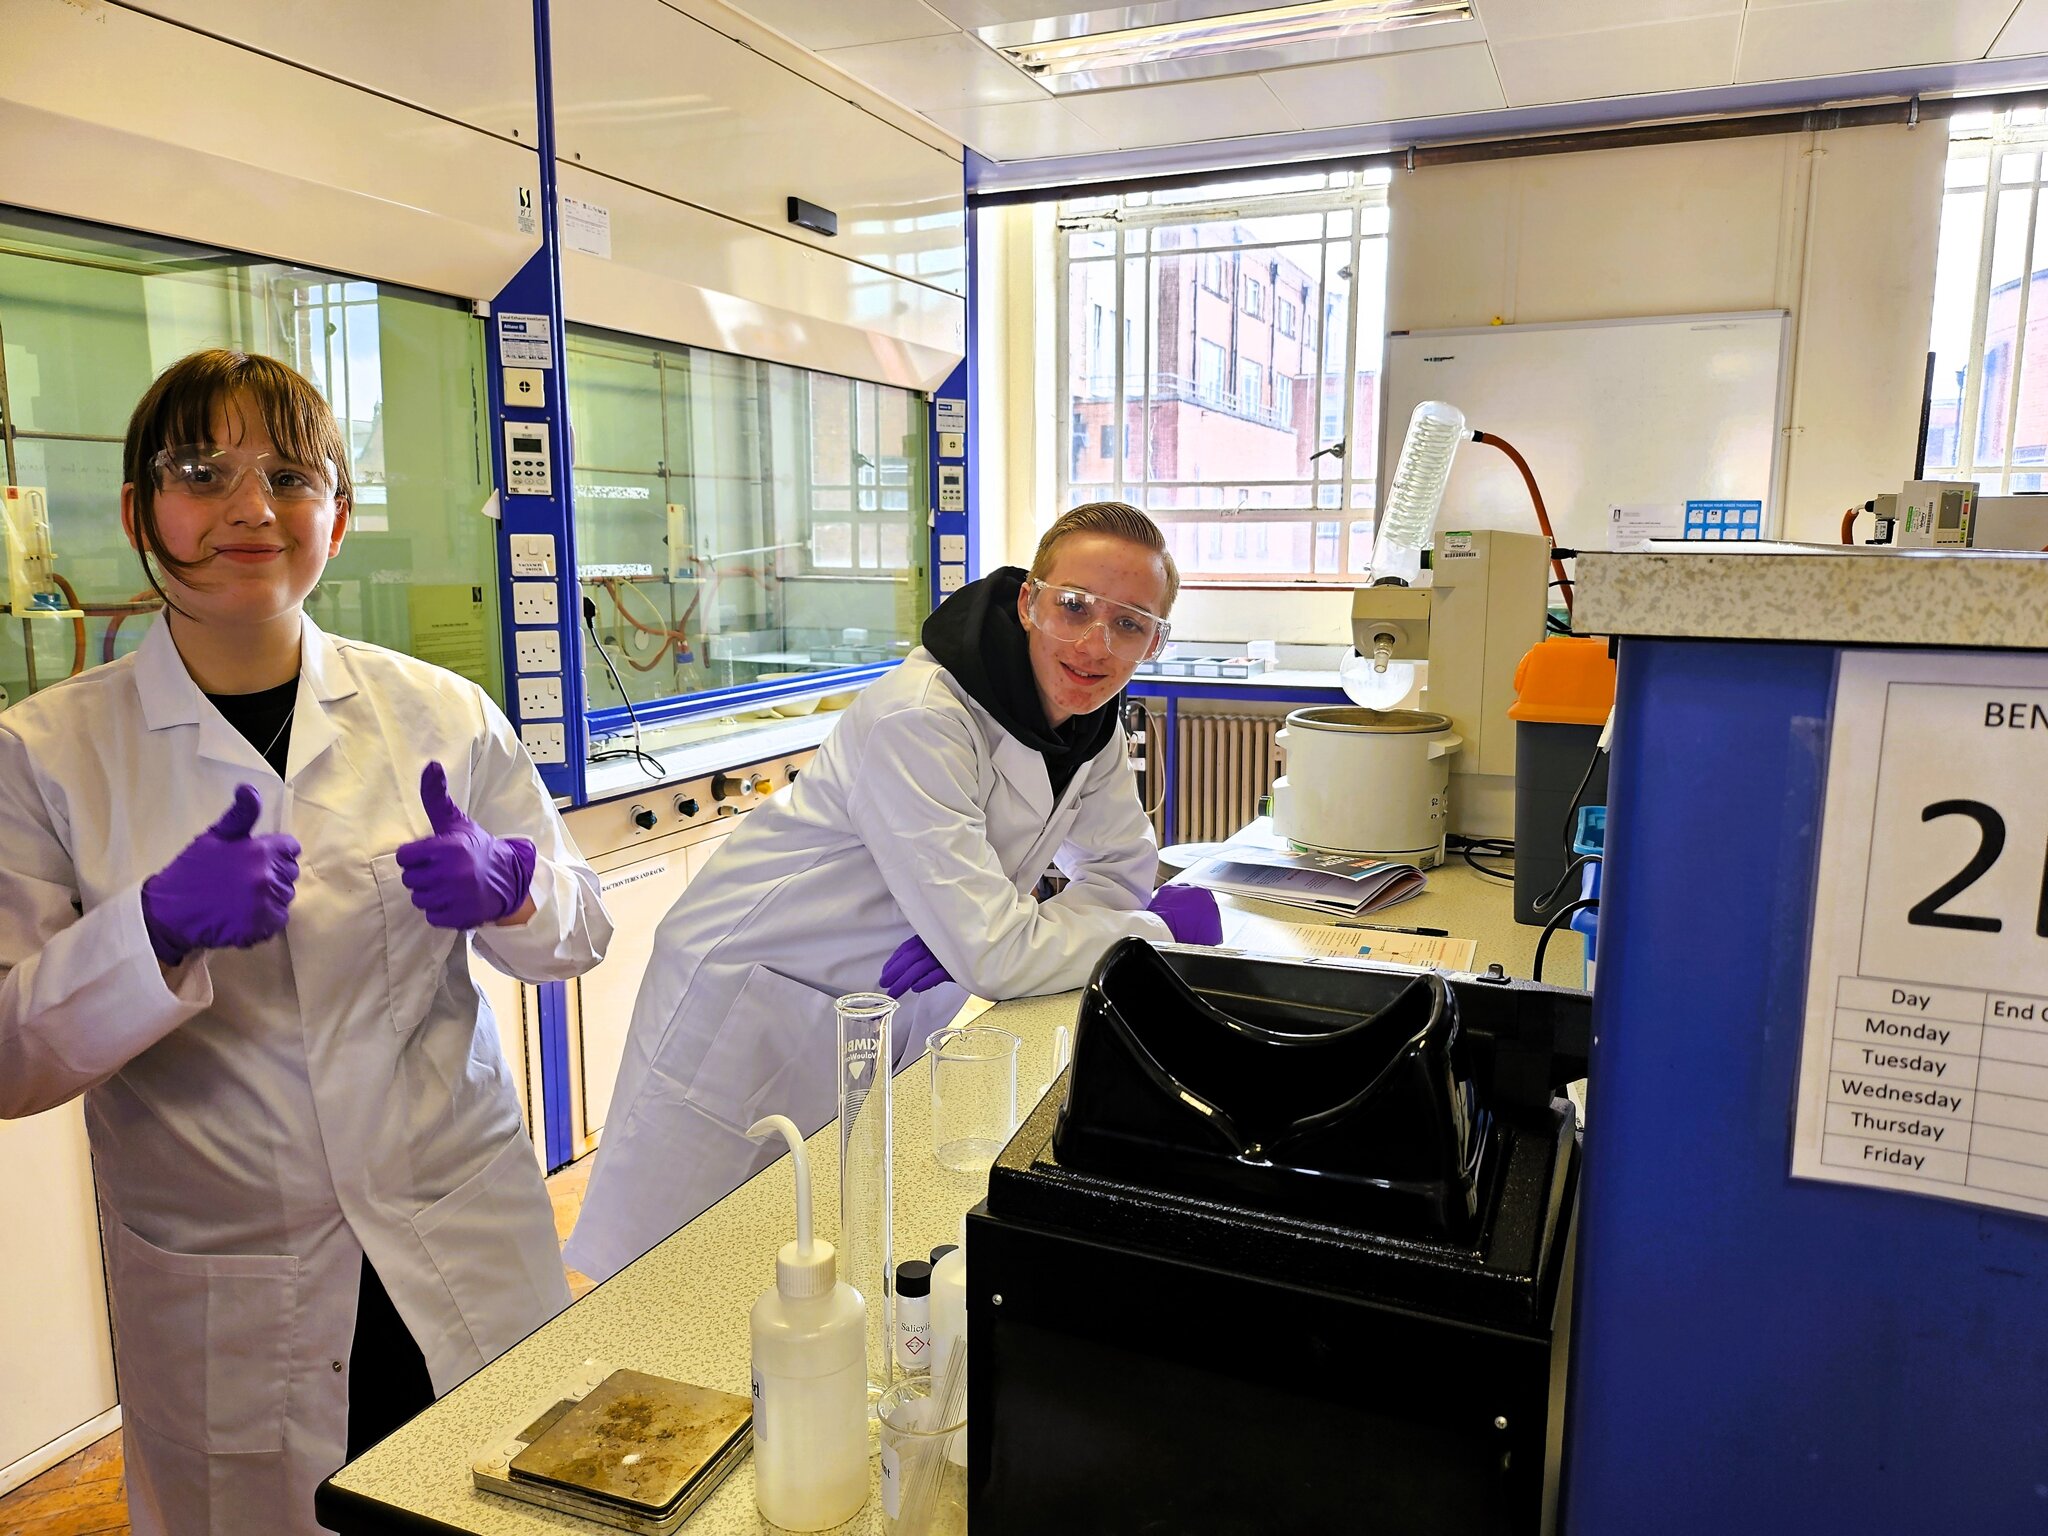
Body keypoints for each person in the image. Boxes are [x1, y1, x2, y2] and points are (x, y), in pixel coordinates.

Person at [0, 349, 613, 1536]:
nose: (249, 508)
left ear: (338, 508)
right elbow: (10, 1055)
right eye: (199, 471)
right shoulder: (45, 753)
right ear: (139, 510)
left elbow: (577, 935)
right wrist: (155, 928)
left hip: (454, 1229)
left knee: (493, 1508)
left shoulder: (439, 713)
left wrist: (517, 887)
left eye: (290, 474)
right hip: (230, 1281)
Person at [567, 501, 1221, 1283]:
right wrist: (1131, 933)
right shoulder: (920, 718)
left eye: (1131, 624)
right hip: (754, 994)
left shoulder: (1092, 726)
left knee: (823, 1258)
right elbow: (1005, 951)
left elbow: (1115, 877)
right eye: (1074, 606)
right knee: (672, 1273)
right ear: (1029, 600)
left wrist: (1012, 929)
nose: (1093, 643)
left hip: (877, 1005)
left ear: (1155, 641)